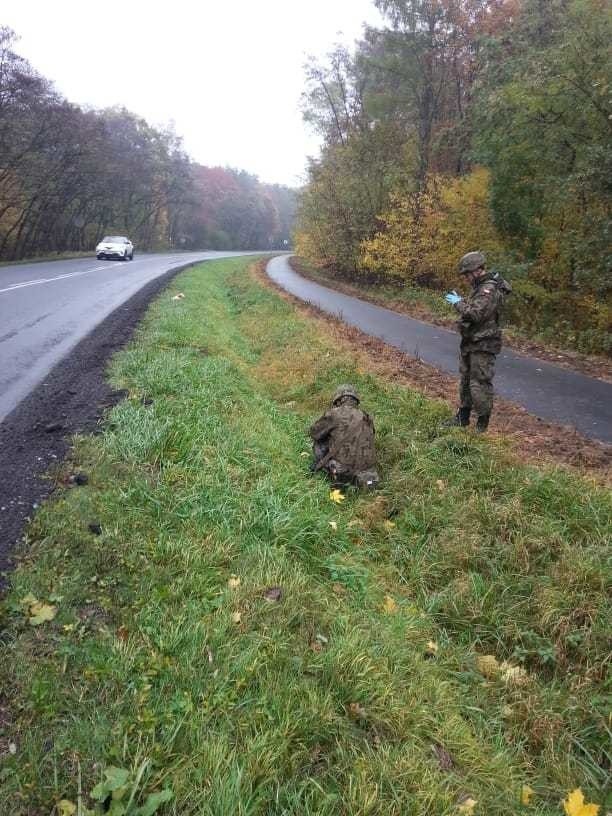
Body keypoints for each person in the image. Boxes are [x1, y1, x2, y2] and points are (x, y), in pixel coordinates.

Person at [444, 251, 512, 432]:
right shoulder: (480, 287)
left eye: (467, 274)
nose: (466, 278)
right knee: (466, 380)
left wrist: (458, 303)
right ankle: (463, 417)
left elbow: (475, 313)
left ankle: (482, 426)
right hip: (472, 341)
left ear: (476, 270)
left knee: (479, 383)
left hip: (484, 343)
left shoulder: (488, 289)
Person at [309, 385, 379, 489]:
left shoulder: (334, 413)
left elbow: (314, 433)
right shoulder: (366, 417)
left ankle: (332, 471)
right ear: (356, 400)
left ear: (338, 400)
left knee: (319, 442)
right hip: (368, 474)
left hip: (342, 472)